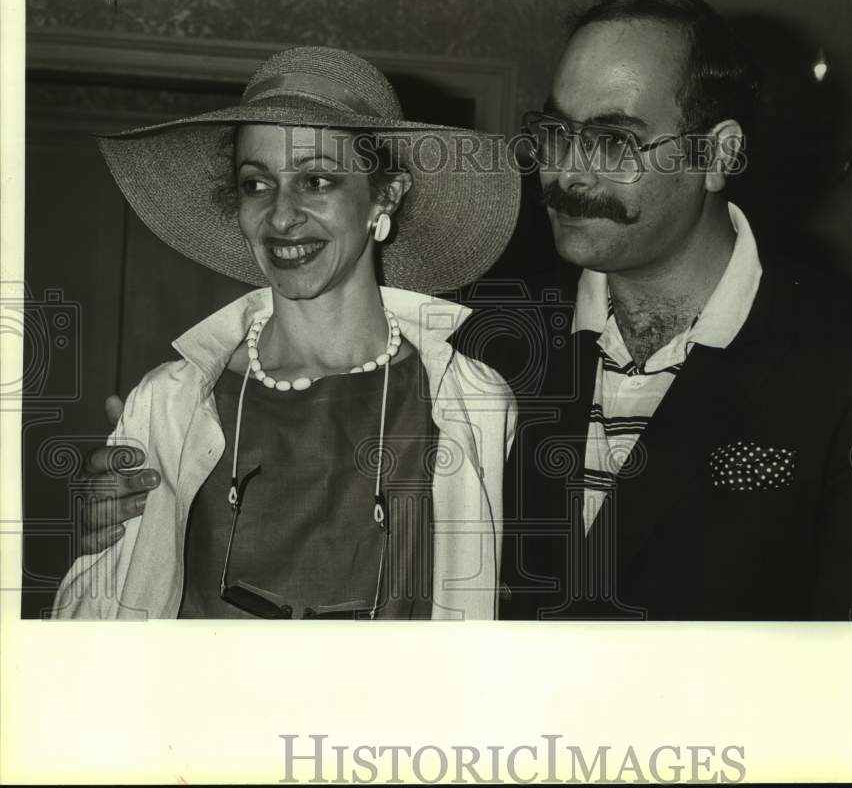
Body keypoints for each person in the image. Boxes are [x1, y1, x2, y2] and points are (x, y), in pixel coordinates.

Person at [456, 0, 852, 620]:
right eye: (554, 133)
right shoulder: (488, 343)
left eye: (613, 141)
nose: (565, 173)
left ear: (718, 154)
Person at [53, 46, 520, 620]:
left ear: (385, 195)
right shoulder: (169, 405)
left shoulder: (474, 404)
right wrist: (100, 535)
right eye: (257, 184)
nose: (280, 217)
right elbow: (97, 627)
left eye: (316, 180)